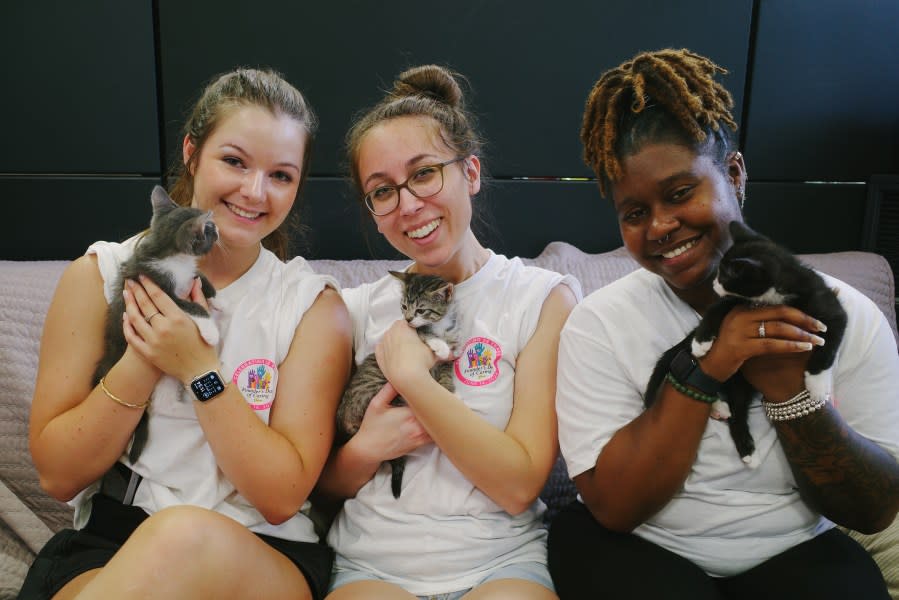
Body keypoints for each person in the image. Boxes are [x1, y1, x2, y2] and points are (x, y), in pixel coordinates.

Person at [548, 48, 899, 599]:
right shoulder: (599, 322)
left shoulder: (847, 313)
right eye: (634, 213)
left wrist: (790, 392)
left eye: (680, 192)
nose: (660, 225)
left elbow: (875, 508)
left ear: (733, 174)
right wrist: (707, 366)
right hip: (642, 548)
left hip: (793, 550)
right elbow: (613, 508)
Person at [21, 68, 352, 600]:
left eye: (281, 175)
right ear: (193, 153)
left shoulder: (313, 307)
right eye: (235, 161)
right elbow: (59, 475)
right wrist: (146, 357)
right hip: (114, 541)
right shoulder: (99, 274)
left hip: (263, 551)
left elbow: (281, 496)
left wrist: (198, 368)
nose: (254, 191)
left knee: (182, 535)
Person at [315, 64, 580, 599]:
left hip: (501, 560)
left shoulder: (541, 298)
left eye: (424, 173)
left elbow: (519, 484)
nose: (408, 205)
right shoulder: (348, 309)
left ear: (472, 173)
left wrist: (413, 382)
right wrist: (365, 449)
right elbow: (319, 490)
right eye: (382, 191)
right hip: (373, 564)